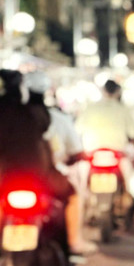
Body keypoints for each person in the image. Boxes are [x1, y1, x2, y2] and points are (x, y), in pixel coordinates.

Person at [0, 70, 91, 256]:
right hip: (42, 177)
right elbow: (49, 147)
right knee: (74, 194)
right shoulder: (38, 113)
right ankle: (75, 241)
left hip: (5, 178)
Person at [25, 71, 95, 255]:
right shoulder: (54, 118)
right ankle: (75, 241)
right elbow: (74, 152)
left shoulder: (8, 116)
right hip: (46, 176)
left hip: (10, 176)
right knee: (74, 195)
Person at [75, 79, 134, 201]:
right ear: (118, 92)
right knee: (130, 187)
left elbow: (76, 130)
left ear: (103, 91)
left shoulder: (90, 108)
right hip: (118, 153)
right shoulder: (123, 109)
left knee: (80, 189)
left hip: (92, 154)